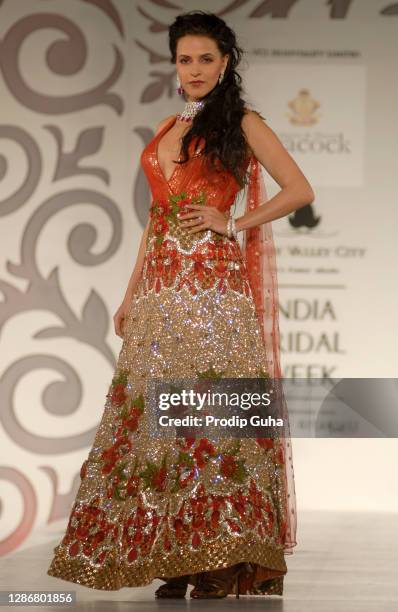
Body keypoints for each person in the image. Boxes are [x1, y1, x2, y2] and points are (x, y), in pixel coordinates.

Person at [47, 10, 314, 599]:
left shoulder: (242, 123)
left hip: (214, 295)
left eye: (206, 59)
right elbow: (154, 220)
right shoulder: (170, 125)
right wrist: (130, 292)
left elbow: (300, 190)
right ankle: (182, 555)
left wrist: (234, 221)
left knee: (214, 424)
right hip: (162, 298)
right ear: (175, 64)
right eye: (185, 59)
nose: (194, 69)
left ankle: (224, 554)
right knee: (163, 423)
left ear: (226, 64)